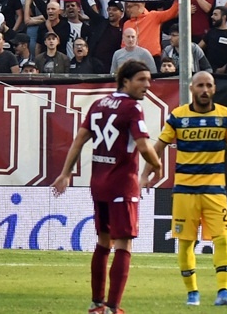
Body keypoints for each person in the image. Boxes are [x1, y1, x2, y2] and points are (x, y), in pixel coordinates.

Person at [54, 59, 163, 314]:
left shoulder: (99, 104)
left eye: (149, 79)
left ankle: (96, 304)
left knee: (104, 242)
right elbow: (144, 146)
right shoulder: (132, 108)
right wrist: (158, 165)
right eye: (142, 80)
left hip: (99, 183)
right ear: (126, 81)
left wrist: (65, 173)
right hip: (122, 185)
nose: (147, 85)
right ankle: (114, 307)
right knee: (124, 244)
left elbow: (79, 140)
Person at [155, 70, 227, 307]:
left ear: (214, 89)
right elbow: (160, 145)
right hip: (184, 191)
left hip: (215, 190)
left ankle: (223, 291)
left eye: (209, 85)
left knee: (222, 238)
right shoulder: (178, 116)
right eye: (200, 85)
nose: (205, 90)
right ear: (192, 88)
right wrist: (146, 172)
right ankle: (192, 293)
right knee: (185, 242)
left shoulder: (225, 116)